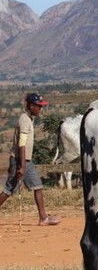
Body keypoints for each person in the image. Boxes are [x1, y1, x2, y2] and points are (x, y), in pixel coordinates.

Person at [0, 93, 61, 226]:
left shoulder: (27, 118)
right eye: (39, 106)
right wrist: (22, 166)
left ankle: (43, 217)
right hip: (22, 160)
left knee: (10, 189)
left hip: (22, 159)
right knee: (36, 186)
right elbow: (22, 144)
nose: (40, 109)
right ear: (31, 106)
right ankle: (43, 218)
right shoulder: (25, 120)